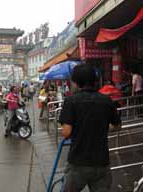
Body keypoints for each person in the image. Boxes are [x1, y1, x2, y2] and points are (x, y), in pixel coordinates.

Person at [59, 64, 121, 192]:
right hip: (101, 162)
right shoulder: (106, 100)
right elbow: (117, 126)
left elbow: (66, 132)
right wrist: (101, 128)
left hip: (78, 162)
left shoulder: (71, 101)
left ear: (76, 83)